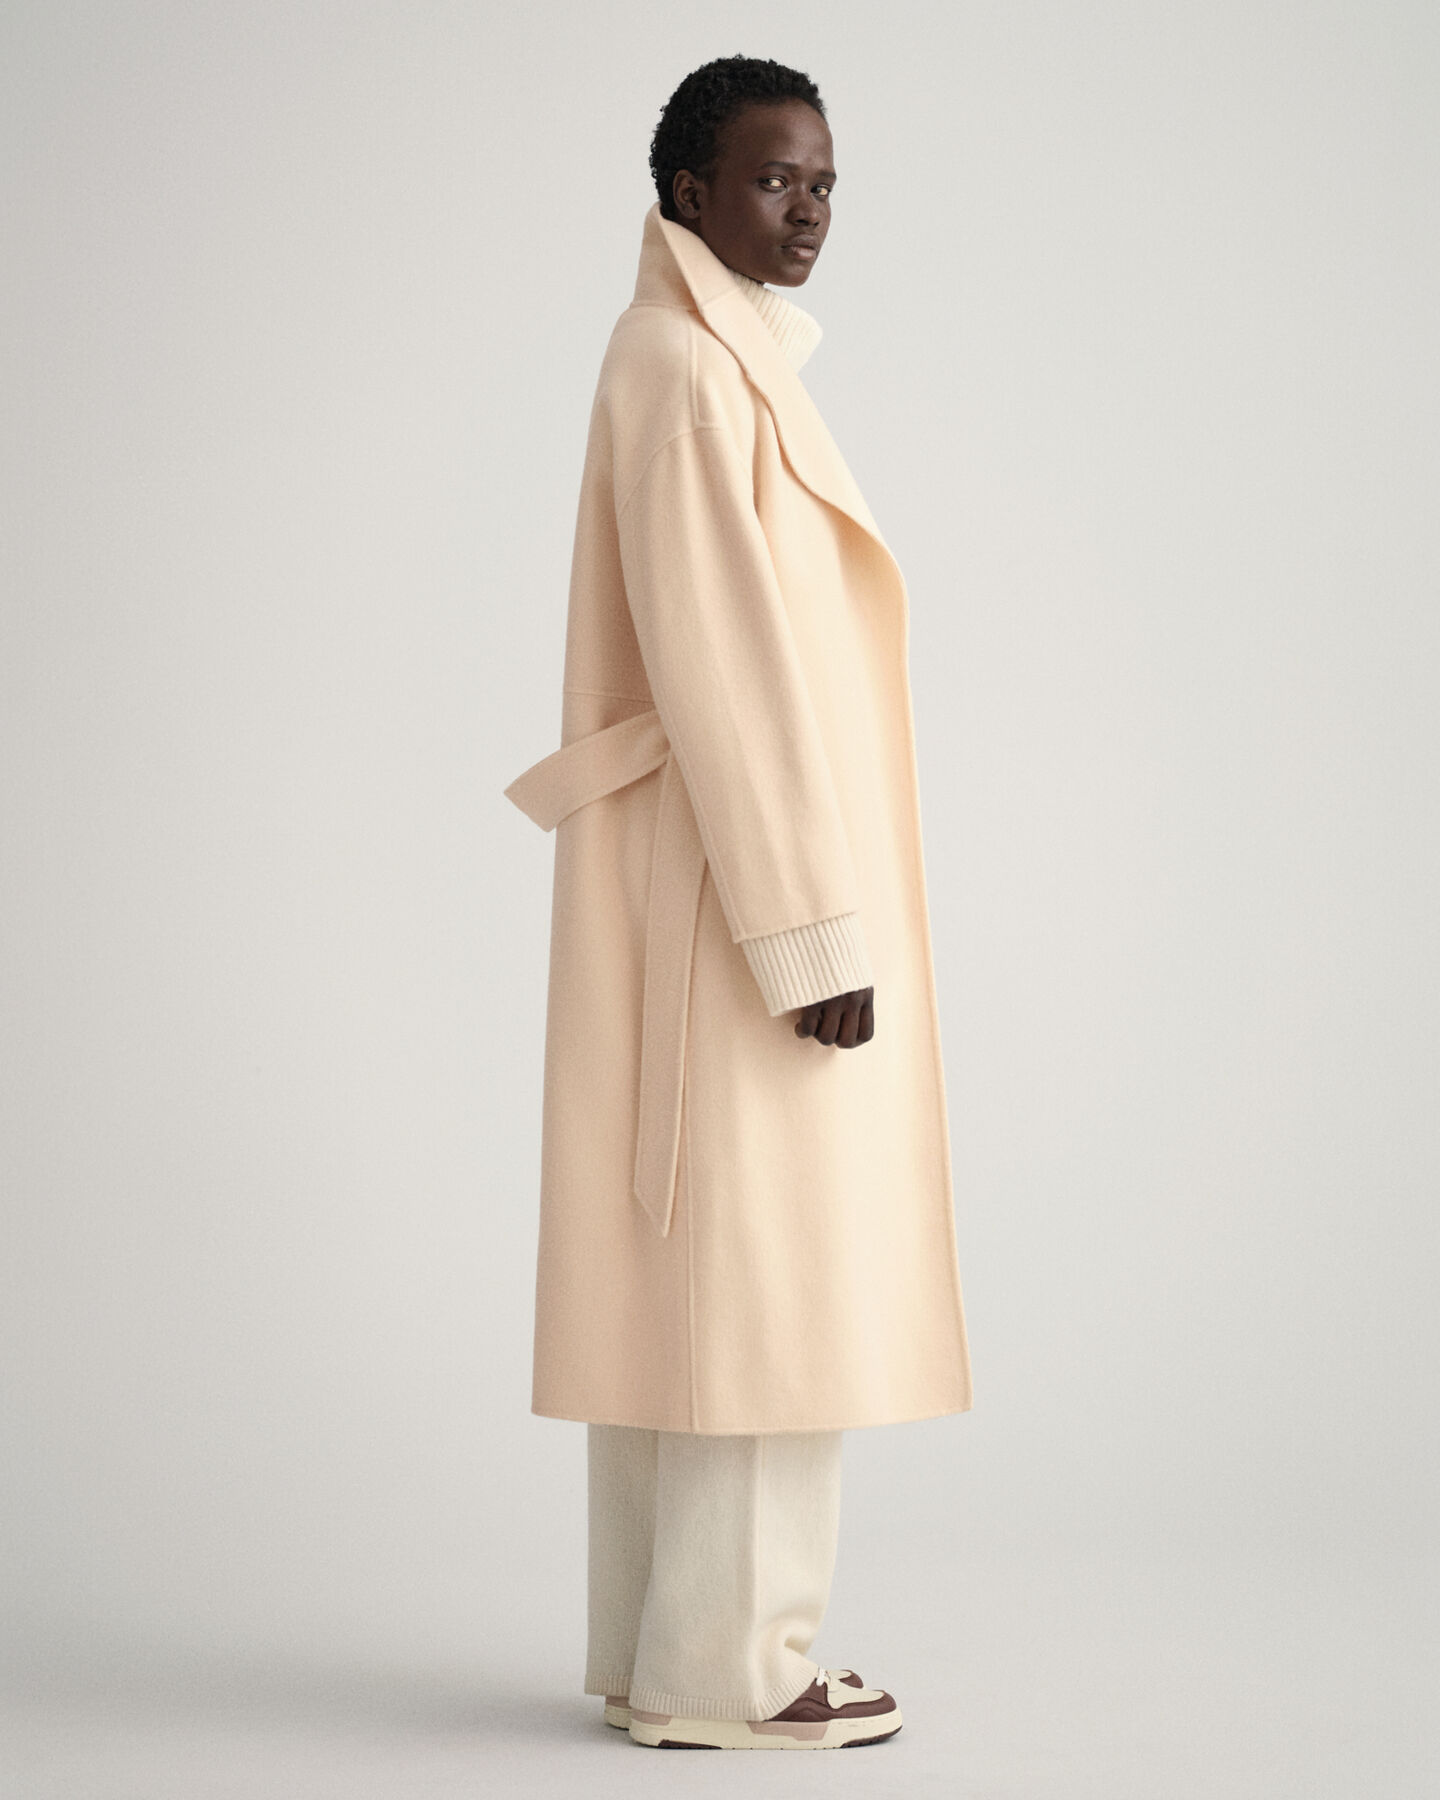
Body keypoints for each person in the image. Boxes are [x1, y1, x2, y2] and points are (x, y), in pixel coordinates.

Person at [503, 54, 974, 1750]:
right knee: (768, 1287)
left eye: (826, 182)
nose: (809, 211)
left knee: (694, 1272)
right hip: (739, 884)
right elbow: (732, 672)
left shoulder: (695, 355)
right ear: (689, 189)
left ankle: (661, 1650)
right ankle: (735, 1670)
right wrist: (809, 930)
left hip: (708, 873)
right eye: (776, 180)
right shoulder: (696, 371)